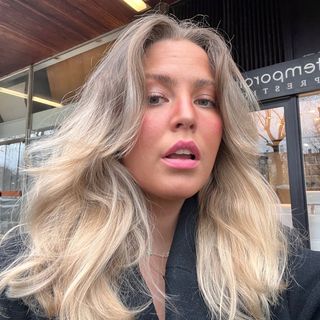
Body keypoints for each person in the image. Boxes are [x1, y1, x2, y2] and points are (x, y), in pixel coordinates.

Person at [0, 13, 320, 320]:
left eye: (205, 100)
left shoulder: (268, 262)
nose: (187, 115)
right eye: (155, 97)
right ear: (111, 121)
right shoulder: (29, 272)